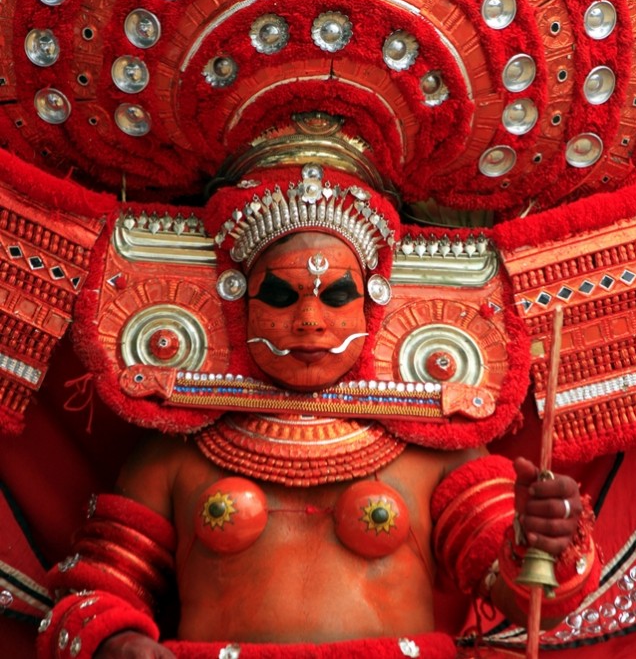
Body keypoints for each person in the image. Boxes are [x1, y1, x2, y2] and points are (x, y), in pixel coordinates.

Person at [38, 192, 597, 659]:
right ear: (239, 306)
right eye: (280, 296)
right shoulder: (174, 457)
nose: (309, 321)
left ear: (372, 309)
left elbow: (530, 599)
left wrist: (543, 539)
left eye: (337, 296)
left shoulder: (438, 450)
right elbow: (95, 590)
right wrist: (117, 639)